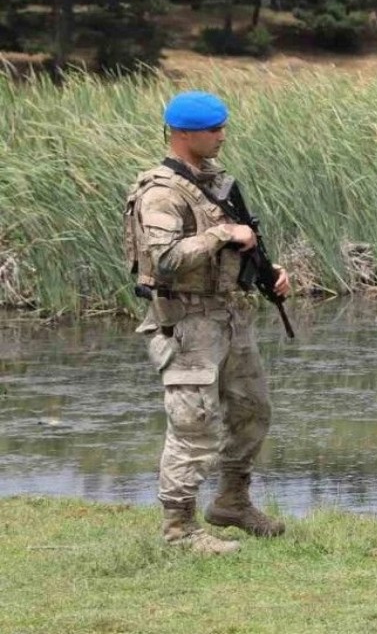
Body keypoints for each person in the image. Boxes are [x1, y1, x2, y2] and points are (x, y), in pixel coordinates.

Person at [124, 90, 291, 555]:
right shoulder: (161, 192)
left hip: (230, 316)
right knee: (193, 424)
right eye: (212, 129)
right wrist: (222, 233)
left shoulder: (215, 182)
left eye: (222, 127)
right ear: (183, 133)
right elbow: (165, 260)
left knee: (252, 412)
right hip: (186, 321)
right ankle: (180, 530)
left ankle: (233, 502)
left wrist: (267, 273)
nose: (222, 136)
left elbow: (240, 245)